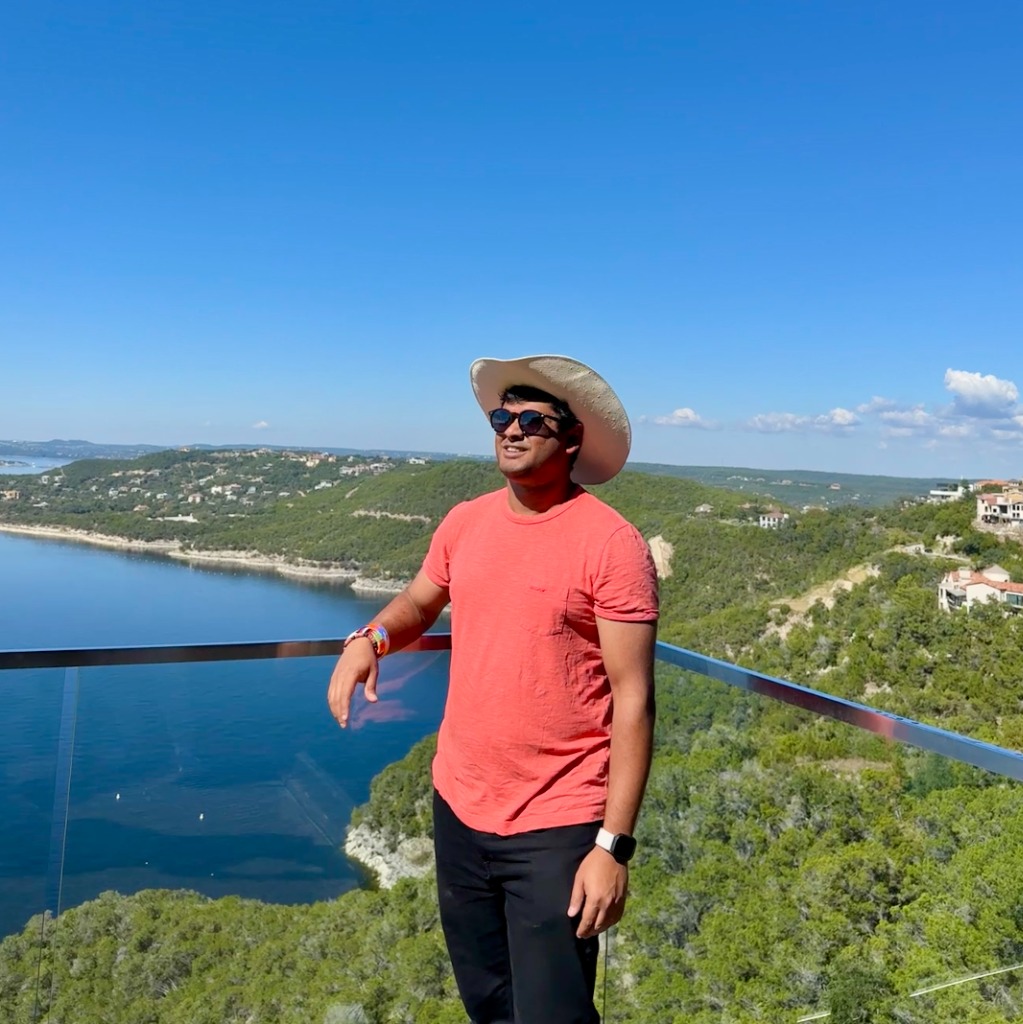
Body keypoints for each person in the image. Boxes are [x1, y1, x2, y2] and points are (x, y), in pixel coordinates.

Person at [327, 354, 659, 1024]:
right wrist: (370, 640)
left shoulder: (610, 545)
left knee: (553, 1012)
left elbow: (634, 701)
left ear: (570, 440)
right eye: (500, 416)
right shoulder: (465, 521)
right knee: (486, 1002)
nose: (510, 429)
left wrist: (612, 847)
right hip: (459, 806)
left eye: (531, 418)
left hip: (556, 825)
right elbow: (419, 604)